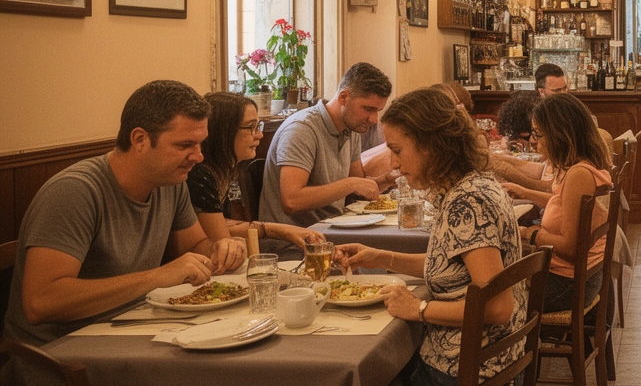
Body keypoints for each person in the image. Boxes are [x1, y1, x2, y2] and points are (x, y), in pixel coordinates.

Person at [333, 88, 525, 386]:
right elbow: (451, 265)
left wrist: (419, 308)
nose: (392, 163)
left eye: (396, 150)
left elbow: (497, 307)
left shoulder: (466, 203)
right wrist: (380, 257)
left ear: (432, 145)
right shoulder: (474, 185)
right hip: (492, 374)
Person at [4, 81, 242, 345]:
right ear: (139, 139)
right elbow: (41, 302)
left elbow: (197, 246)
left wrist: (222, 249)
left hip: (129, 332)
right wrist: (156, 277)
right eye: (184, 145)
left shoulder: (170, 183)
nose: (198, 157)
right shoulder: (75, 191)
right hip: (57, 357)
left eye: (200, 144)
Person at [259, 62, 393, 231]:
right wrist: (350, 184)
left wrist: (387, 180)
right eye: (368, 109)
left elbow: (358, 189)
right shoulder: (302, 129)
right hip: (294, 240)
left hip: (333, 230)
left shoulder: (352, 128)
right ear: (344, 97)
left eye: (378, 111)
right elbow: (292, 201)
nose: (374, 119)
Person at [187, 92, 324, 251]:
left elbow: (221, 222)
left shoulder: (222, 171)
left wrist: (281, 230)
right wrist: (280, 230)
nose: (259, 135)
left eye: (258, 126)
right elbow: (221, 238)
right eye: (250, 127)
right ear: (224, 131)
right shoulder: (200, 174)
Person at [514, 94, 612, 313]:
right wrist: (522, 192)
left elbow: (569, 248)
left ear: (559, 135)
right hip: (578, 276)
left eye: (538, 134)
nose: (533, 140)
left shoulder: (579, 174)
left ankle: (520, 345)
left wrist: (529, 233)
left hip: (568, 284)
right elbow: (565, 204)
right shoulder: (578, 168)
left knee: (490, 301)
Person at [492, 91, 551, 193]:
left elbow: (548, 189)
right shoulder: (558, 159)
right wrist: (495, 159)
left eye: (536, 134)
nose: (532, 140)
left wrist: (505, 169)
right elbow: (540, 171)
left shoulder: (577, 167)